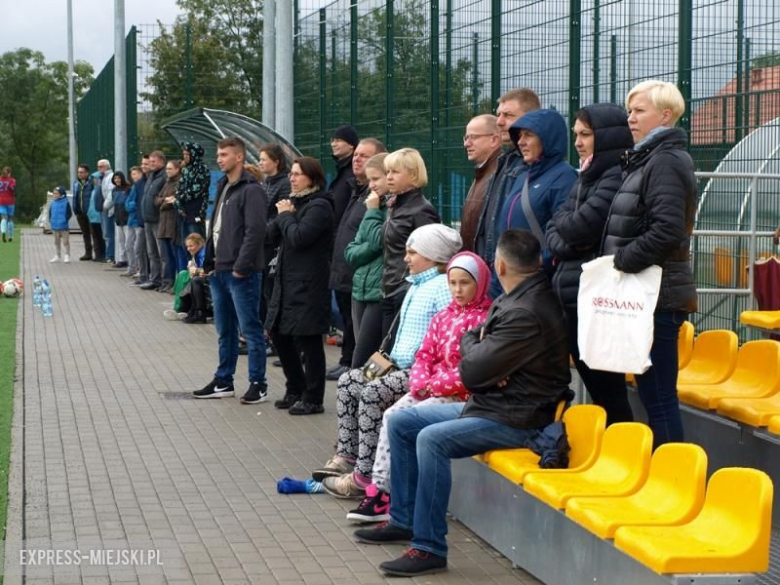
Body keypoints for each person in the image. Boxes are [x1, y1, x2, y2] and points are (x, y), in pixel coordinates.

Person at [354, 229, 571, 577]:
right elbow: (476, 350)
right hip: (494, 403)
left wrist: (480, 357)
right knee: (401, 422)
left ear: (499, 265)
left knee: (431, 438)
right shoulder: (518, 297)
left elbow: (470, 371)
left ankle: (429, 547)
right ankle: (403, 520)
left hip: (517, 418)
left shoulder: (525, 309)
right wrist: (480, 351)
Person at [313, 224, 461, 498]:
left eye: (412, 253)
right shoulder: (417, 284)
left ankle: (364, 477)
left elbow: (447, 334)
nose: (406, 258)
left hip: (417, 370)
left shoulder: (441, 287)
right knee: (348, 382)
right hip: (394, 362)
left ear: (432, 255)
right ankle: (348, 454)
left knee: (372, 393)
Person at [344, 251, 492, 521]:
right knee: (391, 416)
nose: (457, 290)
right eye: (453, 283)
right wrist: (420, 381)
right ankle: (380, 489)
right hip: (431, 388)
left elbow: (472, 367)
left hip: (459, 395)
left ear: (479, 283)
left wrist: (434, 386)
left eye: (465, 283)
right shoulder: (444, 316)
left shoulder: (485, 321)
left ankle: (391, 496)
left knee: (403, 421)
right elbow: (425, 354)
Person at [601, 80, 698, 448]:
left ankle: (674, 482)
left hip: (659, 296)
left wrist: (622, 259)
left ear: (666, 115)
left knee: (658, 398)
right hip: (649, 294)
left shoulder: (666, 161)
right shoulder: (648, 158)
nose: (630, 118)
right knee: (653, 396)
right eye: (630, 111)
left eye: (639, 111)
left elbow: (668, 229)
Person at [545, 103, 635, 425]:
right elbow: (554, 227)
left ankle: (627, 455)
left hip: (597, 301)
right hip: (574, 295)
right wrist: (567, 242)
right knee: (599, 389)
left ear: (607, 137)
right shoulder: (586, 175)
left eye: (586, 134)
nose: (578, 142)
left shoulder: (615, 176)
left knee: (609, 392)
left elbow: (578, 226)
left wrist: (565, 238)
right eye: (576, 135)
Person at [194, 137, 268, 403]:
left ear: (239, 157)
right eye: (218, 154)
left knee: (250, 329)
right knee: (225, 330)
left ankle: (258, 383)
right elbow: (216, 228)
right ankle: (224, 381)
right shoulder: (224, 185)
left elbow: (256, 231)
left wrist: (241, 267)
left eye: (224, 154)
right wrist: (209, 263)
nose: (219, 158)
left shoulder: (252, 190)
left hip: (241, 273)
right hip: (219, 270)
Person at [266, 157, 334, 415]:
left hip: (308, 283)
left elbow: (299, 237)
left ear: (312, 178)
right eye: (291, 173)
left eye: (297, 174)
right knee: (280, 335)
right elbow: (272, 233)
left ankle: (313, 397)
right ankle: (295, 387)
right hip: (286, 281)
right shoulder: (294, 203)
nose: (291, 178)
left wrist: (285, 217)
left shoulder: (320, 206)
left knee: (309, 340)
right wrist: (282, 215)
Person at [491, 109, 578, 294]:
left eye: (529, 135)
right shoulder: (524, 176)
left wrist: (534, 267)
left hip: (536, 285)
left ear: (548, 138)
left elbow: (564, 235)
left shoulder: (564, 177)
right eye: (520, 136)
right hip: (507, 282)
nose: (521, 142)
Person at [328, 138, 387, 381]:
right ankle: (348, 364)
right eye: (357, 155)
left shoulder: (377, 203)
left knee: (367, 350)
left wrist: (353, 252)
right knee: (352, 331)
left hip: (369, 284)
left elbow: (372, 242)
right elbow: (354, 239)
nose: (357, 159)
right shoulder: (356, 191)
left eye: (364, 155)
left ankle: (355, 374)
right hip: (351, 276)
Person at [473, 88, 541, 265]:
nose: (500, 122)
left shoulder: (532, 166)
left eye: (508, 115)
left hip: (514, 270)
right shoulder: (505, 162)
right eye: (499, 115)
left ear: (531, 118)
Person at [380, 148, 440, 338]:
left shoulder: (421, 210)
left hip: (405, 291)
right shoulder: (394, 205)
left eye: (395, 172)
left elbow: (432, 256)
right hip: (388, 289)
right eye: (387, 171)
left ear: (413, 175)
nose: (389, 177)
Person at [346, 153, 389, 369]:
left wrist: (372, 211)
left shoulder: (382, 209)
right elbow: (351, 250)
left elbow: (377, 241)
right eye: (369, 180)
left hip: (377, 292)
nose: (371, 185)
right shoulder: (374, 205)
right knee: (360, 355)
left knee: (363, 361)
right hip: (360, 289)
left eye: (375, 179)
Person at [460, 115, 501, 252]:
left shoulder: (500, 175)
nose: (466, 144)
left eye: (474, 137)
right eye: (466, 138)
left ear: (494, 140)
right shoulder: (483, 173)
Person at [174, 142, 210, 269]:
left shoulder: (202, 169)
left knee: (196, 242)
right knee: (187, 245)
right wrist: (179, 200)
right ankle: (190, 271)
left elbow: (195, 190)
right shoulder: (186, 169)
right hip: (184, 212)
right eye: (184, 154)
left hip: (195, 212)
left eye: (187, 154)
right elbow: (179, 189)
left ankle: (200, 270)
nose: (185, 157)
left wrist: (179, 197)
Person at [164, 233, 209, 323]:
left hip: (209, 277)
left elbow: (207, 269)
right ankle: (186, 310)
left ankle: (191, 311)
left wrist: (196, 270)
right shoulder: (197, 253)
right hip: (203, 276)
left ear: (199, 243)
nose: (188, 249)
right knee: (185, 275)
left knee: (193, 281)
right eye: (187, 246)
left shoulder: (203, 253)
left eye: (191, 246)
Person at [140, 151, 167, 290]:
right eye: (150, 162)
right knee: (151, 252)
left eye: (153, 162)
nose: (151, 164)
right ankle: (154, 279)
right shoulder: (151, 176)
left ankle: (164, 280)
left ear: (161, 161)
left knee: (161, 252)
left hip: (158, 219)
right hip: (147, 219)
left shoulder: (164, 176)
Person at [155, 160, 182, 293]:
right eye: (167, 169)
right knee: (165, 257)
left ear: (177, 169)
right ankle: (167, 281)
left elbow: (174, 201)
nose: (167, 171)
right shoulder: (167, 183)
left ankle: (174, 283)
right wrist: (165, 201)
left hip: (172, 225)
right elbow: (157, 199)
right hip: (163, 225)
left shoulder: (179, 183)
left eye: (170, 169)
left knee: (174, 256)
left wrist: (164, 203)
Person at [328, 125, 360, 225]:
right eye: (332, 141)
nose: (333, 144)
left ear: (351, 145)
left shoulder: (355, 171)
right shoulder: (342, 169)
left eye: (338, 140)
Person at [125, 165, 146, 282]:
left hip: (138, 221)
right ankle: (132, 267)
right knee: (128, 245)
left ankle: (139, 269)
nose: (133, 177)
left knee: (138, 247)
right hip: (131, 220)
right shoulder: (134, 187)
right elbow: (128, 202)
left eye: (135, 174)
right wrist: (130, 205)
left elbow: (134, 203)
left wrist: (131, 206)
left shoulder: (140, 186)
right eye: (132, 174)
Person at [111, 171, 134, 276]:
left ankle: (130, 261)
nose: (117, 180)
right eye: (115, 178)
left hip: (126, 219)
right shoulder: (114, 190)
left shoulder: (128, 189)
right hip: (118, 218)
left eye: (118, 178)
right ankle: (122, 259)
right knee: (121, 241)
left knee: (128, 242)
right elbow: (114, 204)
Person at [72, 164, 94, 260]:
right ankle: (88, 253)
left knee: (94, 233)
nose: (79, 174)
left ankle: (98, 253)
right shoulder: (76, 183)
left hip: (90, 212)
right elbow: (75, 197)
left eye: (81, 172)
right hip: (80, 212)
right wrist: (75, 210)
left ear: (87, 173)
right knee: (85, 234)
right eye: (78, 172)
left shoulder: (92, 182)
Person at [97, 159, 116, 264]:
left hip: (109, 209)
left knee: (109, 233)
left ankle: (110, 255)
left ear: (106, 167)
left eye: (101, 166)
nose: (99, 169)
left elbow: (110, 193)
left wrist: (106, 205)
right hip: (106, 208)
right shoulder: (103, 177)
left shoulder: (110, 177)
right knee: (106, 233)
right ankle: (109, 254)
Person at [48, 187, 73, 263]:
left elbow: (69, 213)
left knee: (65, 241)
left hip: (63, 225)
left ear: (61, 194)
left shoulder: (66, 202)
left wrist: (65, 220)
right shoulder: (52, 202)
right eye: (54, 193)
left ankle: (67, 255)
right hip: (54, 225)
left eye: (56, 193)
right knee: (56, 242)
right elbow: (50, 213)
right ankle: (57, 255)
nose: (54, 195)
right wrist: (51, 220)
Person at [87, 171, 106, 262]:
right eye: (93, 179)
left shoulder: (100, 189)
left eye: (95, 178)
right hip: (92, 217)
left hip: (99, 217)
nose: (94, 180)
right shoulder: (94, 190)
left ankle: (103, 254)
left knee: (101, 236)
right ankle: (98, 254)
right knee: (96, 237)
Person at [0, 166, 16, 243]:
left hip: (1, 201)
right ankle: (10, 236)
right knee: (10, 219)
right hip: (10, 201)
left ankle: (3, 232)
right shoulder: (12, 180)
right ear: (9, 173)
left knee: (3, 218)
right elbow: (12, 188)